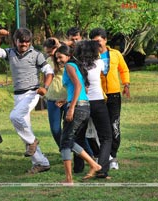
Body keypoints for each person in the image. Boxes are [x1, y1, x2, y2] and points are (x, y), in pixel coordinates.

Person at [0, 28, 54, 174]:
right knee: (25, 128)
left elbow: (49, 72)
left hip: (32, 93)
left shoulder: (36, 55)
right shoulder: (10, 53)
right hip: (18, 95)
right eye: (21, 42)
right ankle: (41, 163)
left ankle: (32, 142)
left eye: (27, 42)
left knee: (15, 117)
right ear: (16, 41)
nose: (24, 44)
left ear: (30, 42)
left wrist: (45, 87)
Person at [53, 44, 102, 183]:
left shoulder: (69, 66)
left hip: (78, 107)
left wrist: (71, 107)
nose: (58, 60)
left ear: (68, 56)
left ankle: (70, 178)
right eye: (56, 58)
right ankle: (93, 164)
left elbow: (78, 86)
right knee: (68, 140)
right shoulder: (76, 67)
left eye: (60, 57)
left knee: (65, 143)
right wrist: (66, 100)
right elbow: (83, 91)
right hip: (84, 106)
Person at [89, 28, 130, 170]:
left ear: (105, 40)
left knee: (114, 126)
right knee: (98, 128)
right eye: (93, 42)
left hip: (113, 95)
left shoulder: (115, 54)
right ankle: (101, 155)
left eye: (99, 41)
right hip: (97, 96)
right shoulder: (90, 56)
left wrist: (126, 84)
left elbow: (123, 69)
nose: (97, 45)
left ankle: (113, 155)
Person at [73, 40, 113, 179]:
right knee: (106, 137)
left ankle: (79, 167)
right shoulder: (99, 63)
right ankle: (101, 169)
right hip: (98, 103)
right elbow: (105, 67)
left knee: (78, 136)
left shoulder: (76, 65)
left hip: (81, 103)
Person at [42, 38, 67, 148]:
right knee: (55, 129)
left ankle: (72, 150)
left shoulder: (65, 59)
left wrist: (58, 44)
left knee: (69, 128)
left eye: (50, 52)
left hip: (67, 97)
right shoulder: (48, 62)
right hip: (52, 98)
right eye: (47, 52)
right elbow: (44, 78)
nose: (49, 54)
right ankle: (63, 149)